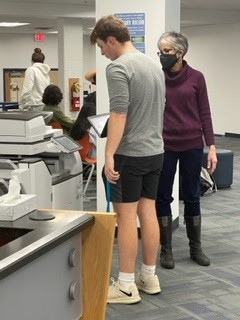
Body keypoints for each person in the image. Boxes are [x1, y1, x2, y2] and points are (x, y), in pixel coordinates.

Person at [90, 14, 165, 304]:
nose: (102, 53)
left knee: (126, 216)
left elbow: (119, 114)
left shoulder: (118, 67)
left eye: (101, 46)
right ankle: (149, 276)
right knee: (148, 211)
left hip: (130, 155)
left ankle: (125, 286)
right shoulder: (152, 64)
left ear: (111, 40)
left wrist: (108, 153)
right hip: (155, 152)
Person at [156, 31, 218, 270]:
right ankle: (166, 250)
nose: (163, 56)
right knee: (163, 195)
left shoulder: (197, 78)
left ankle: (195, 248)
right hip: (165, 145)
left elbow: (205, 113)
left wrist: (211, 147)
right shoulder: (157, 77)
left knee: (192, 194)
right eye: (160, 52)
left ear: (180, 53)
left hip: (192, 143)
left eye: (167, 51)